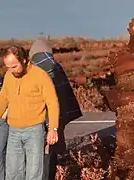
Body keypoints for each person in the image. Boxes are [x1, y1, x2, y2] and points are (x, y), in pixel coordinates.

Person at [0, 45, 60, 180]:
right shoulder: (9, 75)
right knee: (13, 173)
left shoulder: (40, 76)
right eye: (8, 67)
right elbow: (3, 98)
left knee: (34, 173)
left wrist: (53, 128)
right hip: (13, 131)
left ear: (24, 60)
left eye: (14, 66)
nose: (11, 70)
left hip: (34, 131)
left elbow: (52, 102)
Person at [29, 39, 83, 180]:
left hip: (34, 119)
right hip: (54, 119)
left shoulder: (30, 68)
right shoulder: (56, 67)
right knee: (49, 152)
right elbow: (64, 96)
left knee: (35, 153)